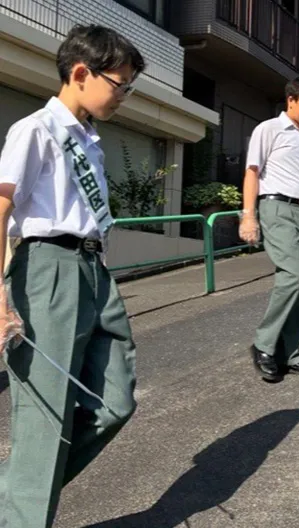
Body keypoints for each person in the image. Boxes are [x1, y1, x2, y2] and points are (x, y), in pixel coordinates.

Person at [0, 24, 144, 527]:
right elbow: (1, 208)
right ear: (81, 73)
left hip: (92, 268)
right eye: (120, 83)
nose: (124, 95)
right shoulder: (35, 129)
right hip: (47, 267)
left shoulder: (91, 143)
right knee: (46, 415)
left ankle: (13, 497)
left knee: (115, 401)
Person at [240, 77, 299, 383]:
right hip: (277, 207)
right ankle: (264, 345)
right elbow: (252, 172)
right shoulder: (269, 129)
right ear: (291, 100)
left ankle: (290, 353)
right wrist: (248, 216)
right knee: (294, 275)